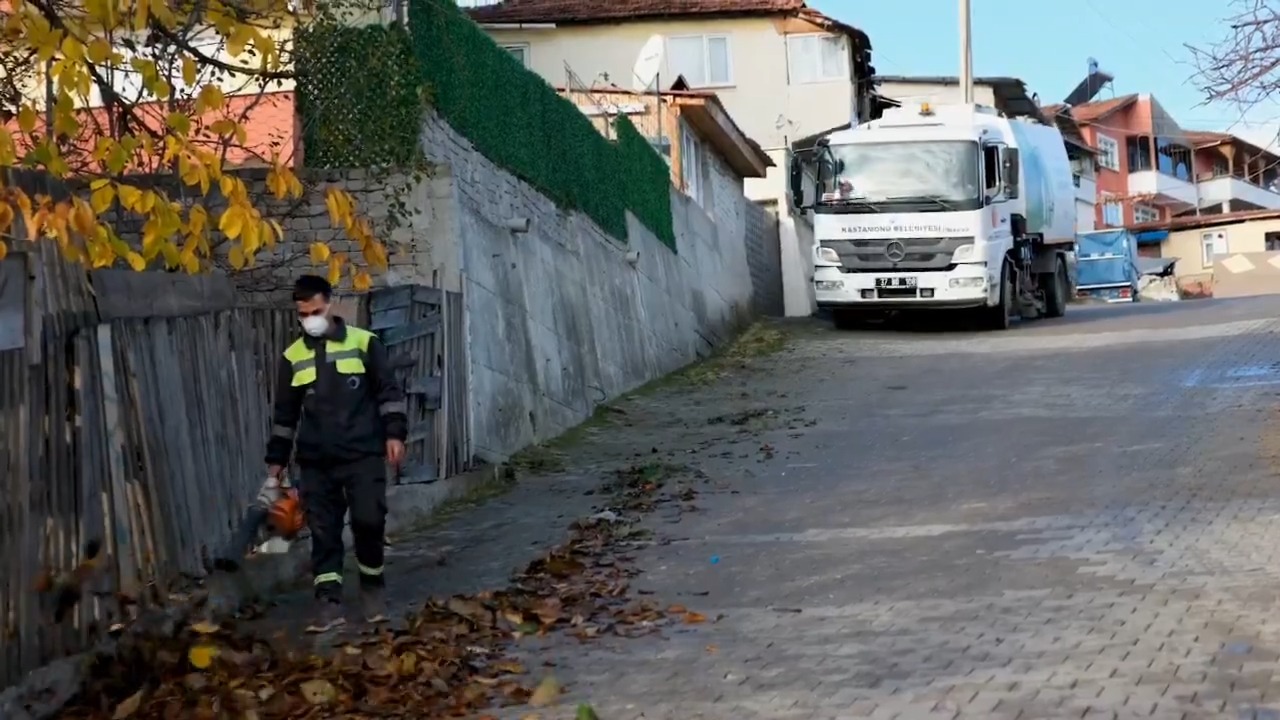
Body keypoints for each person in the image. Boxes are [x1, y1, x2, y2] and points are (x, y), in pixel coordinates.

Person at [264, 274, 408, 633]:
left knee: (369, 522)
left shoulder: (364, 343)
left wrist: (394, 434)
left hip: (363, 455)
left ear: (330, 304)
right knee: (324, 534)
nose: (310, 318)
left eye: (315, 310)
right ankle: (328, 601)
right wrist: (277, 461)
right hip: (316, 461)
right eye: (303, 314)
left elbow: (388, 392)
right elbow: (285, 415)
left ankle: (372, 588)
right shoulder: (293, 357)